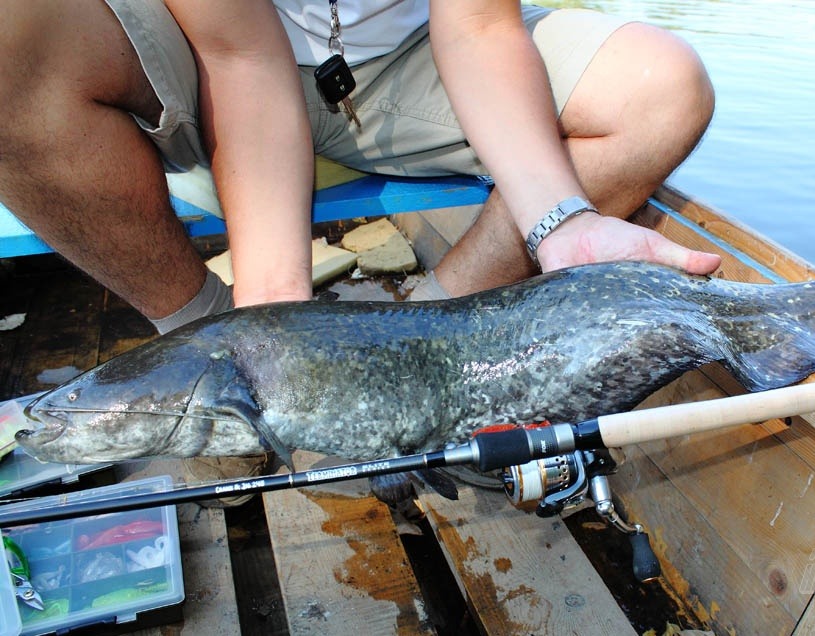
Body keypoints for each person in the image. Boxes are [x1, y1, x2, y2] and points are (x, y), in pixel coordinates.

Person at [0, 1, 720, 499]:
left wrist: (558, 220)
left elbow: (477, 27)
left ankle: (443, 340)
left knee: (664, 88)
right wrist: (270, 318)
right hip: (218, 63)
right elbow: (241, 57)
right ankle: (198, 341)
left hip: (414, 59)